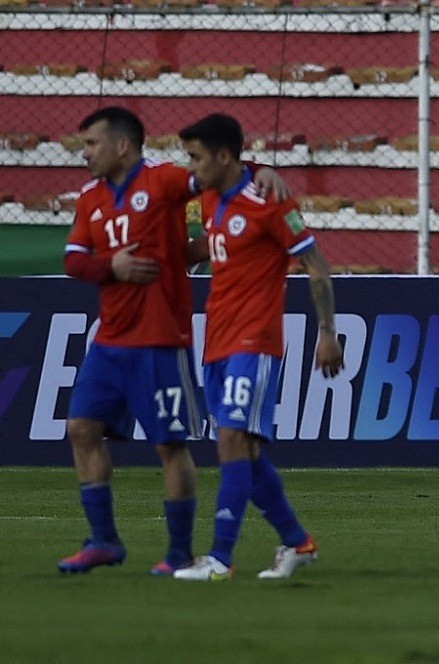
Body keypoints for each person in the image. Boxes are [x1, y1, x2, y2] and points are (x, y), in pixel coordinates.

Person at [57, 106, 286, 576]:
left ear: (123, 146)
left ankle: (179, 552)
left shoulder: (162, 182)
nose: (85, 154)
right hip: (109, 341)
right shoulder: (90, 198)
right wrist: (111, 267)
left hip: (160, 339)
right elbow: (74, 260)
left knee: (169, 446)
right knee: (80, 428)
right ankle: (104, 541)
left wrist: (260, 169)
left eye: (92, 144)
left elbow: (217, 172)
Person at [173, 113, 344, 581]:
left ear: (222, 157)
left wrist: (326, 332)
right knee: (241, 450)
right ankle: (297, 541)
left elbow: (316, 267)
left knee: (232, 439)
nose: (191, 166)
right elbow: (210, 246)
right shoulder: (209, 196)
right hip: (217, 340)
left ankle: (220, 560)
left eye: (196, 157)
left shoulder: (272, 201)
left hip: (255, 339)